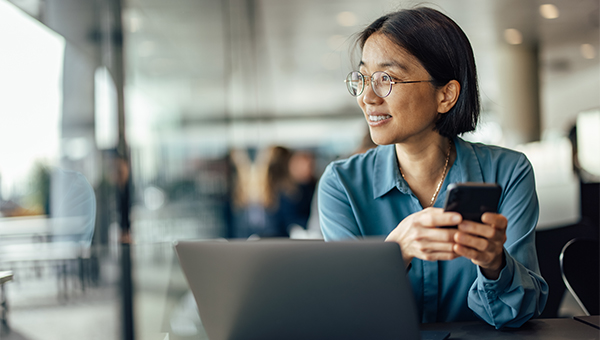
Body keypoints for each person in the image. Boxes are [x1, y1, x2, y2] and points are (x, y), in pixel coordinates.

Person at [318, 7, 548, 329]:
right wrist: (395, 253)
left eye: (387, 78)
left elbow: (522, 313)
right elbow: (346, 316)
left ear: (446, 95)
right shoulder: (341, 184)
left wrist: (494, 264)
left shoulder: (509, 172)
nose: (367, 97)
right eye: (364, 78)